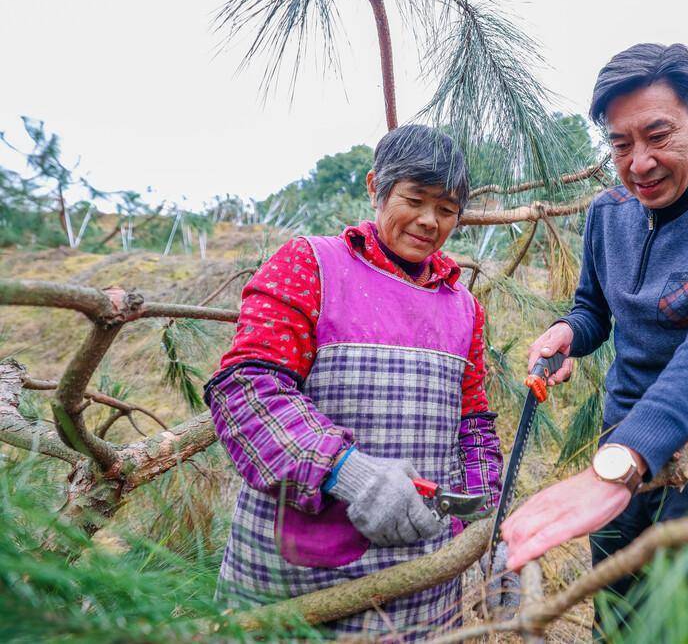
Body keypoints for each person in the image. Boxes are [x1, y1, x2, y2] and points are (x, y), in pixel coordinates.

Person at [500, 43, 688, 640]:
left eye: (658, 136)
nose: (639, 164)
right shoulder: (609, 214)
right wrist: (568, 333)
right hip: (619, 440)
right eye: (620, 144)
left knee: (687, 627)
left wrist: (629, 454)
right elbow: (594, 310)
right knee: (618, 618)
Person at [204, 124, 507, 638]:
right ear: (374, 187)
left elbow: (473, 426)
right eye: (414, 199)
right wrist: (350, 472)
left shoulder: (463, 308)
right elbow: (247, 391)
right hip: (300, 579)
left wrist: (490, 534)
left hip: (422, 581)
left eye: (448, 209)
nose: (430, 221)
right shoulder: (309, 265)